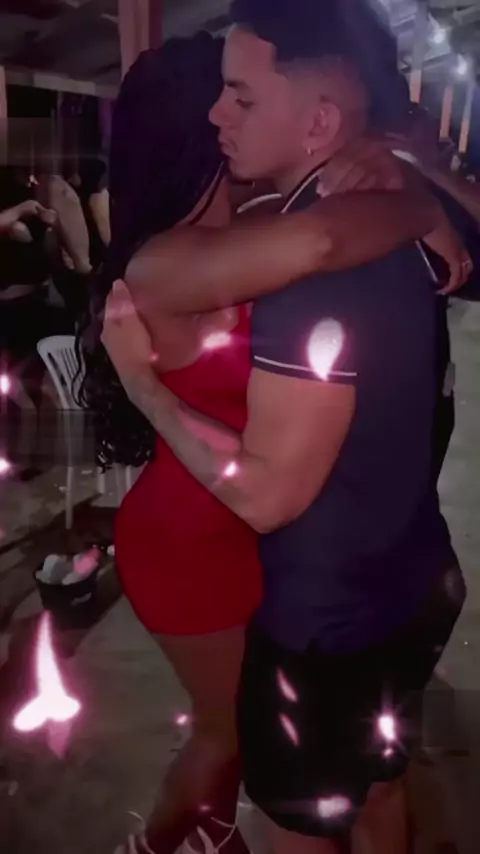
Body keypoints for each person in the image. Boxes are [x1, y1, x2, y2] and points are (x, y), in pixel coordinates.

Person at [101, 5, 466, 854]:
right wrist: (413, 198)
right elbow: (327, 239)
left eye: (241, 97)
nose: (225, 115)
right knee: (226, 737)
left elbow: (326, 233)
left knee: (294, 759)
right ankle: (157, 847)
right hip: (193, 533)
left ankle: (212, 834)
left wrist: (396, 177)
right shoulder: (167, 262)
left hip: (265, 526)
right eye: (221, 100)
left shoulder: (256, 225)